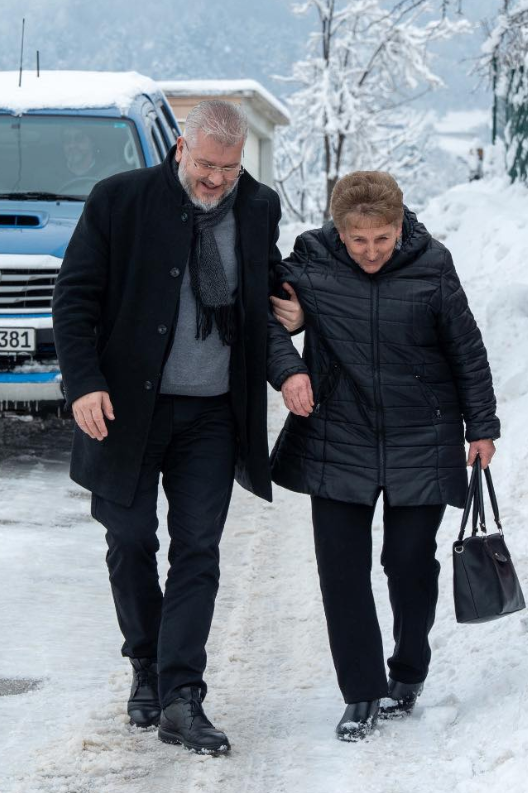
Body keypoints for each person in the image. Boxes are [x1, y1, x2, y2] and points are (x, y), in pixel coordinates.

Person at [52, 100, 306, 755]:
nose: (217, 180)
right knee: (130, 539)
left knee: (198, 549)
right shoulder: (119, 202)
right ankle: (146, 664)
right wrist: (84, 383)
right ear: (178, 152)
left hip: (214, 414)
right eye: (205, 165)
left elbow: (265, 288)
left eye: (228, 168)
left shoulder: (257, 208)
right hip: (125, 410)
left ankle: (181, 696)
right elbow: (73, 298)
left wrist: (295, 316)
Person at [266, 170, 500, 741]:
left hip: (421, 434)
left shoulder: (433, 267)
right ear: (339, 232)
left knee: (408, 563)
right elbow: (264, 321)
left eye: (382, 239)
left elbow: (466, 350)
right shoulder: (311, 263)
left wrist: (482, 427)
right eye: (358, 240)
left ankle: (409, 669)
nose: (370, 252)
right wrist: (291, 367)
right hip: (338, 436)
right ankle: (362, 693)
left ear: (400, 226)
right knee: (341, 570)